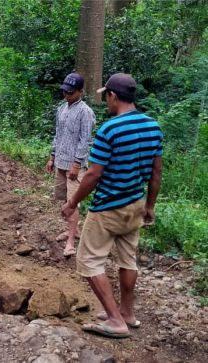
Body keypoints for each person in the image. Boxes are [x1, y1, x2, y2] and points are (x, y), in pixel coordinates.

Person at [61, 73, 163, 339]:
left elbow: (93, 174)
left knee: (88, 261)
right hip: (135, 204)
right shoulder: (153, 127)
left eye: (107, 95)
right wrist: (149, 206)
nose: (106, 100)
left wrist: (73, 203)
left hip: (108, 207)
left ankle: (116, 320)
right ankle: (127, 313)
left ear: (114, 96)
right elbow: (156, 173)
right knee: (127, 259)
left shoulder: (110, 129)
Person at [46, 73, 96, 257]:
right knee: (64, 200)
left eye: (71, 92)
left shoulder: (86, 112)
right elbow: (57, 135)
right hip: (61, 160)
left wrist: (77, 163)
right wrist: (52, 156)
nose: (67, 95)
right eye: (65, 92)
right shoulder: (61, 109)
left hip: (75, 165)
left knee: (73, 202)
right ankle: (71, 231)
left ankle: (70, 242)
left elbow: (85, 141)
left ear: (81, 92)